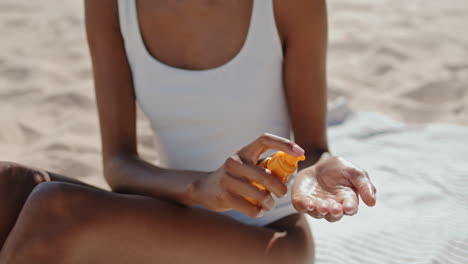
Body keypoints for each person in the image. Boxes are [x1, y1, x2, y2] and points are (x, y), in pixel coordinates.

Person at [0, 0, 377, 263]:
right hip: (176, 217)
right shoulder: (111, 5)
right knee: (7, 184)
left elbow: (312, 147)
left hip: (271, 239)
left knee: (53, 208)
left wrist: (318, 168)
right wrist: (201, 188)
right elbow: (118, 164)